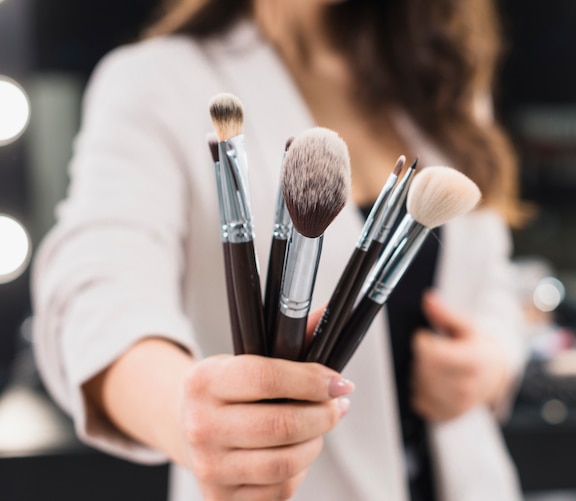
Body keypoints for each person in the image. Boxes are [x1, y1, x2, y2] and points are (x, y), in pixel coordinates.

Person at [31, 0, 529, 500]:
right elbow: (94, 292)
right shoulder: (153, 80)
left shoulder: (440, 71)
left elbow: (492, 281)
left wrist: (493, 359)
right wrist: (190, 417)